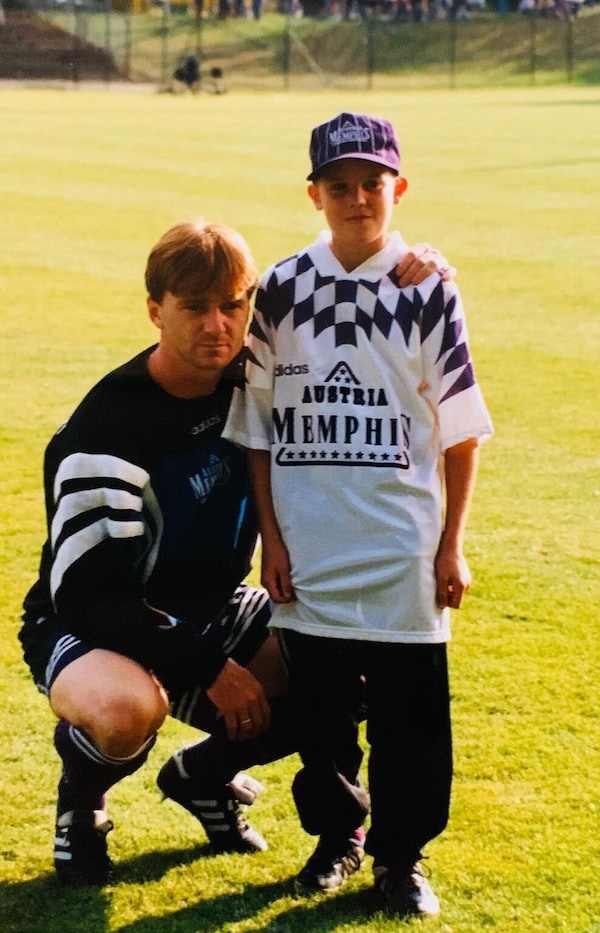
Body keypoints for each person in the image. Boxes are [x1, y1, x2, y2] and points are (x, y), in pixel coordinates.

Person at [19, 218, 455, 888]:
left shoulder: (256, 378)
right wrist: (210, 667)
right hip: (89, 623)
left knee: (347, 671)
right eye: (194, 308)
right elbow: (90, 597)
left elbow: (361, 349)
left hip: (213, 607)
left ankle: (201, 775)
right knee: (125, 711)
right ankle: (82, 799)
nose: (216, 326)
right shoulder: (108, 429)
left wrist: (418, 273)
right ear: (155, 310)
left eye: (232, 305)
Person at [226, 112, 494, 918]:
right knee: (323, 717)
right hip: (310, 549)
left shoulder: (427, 288)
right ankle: (337, 838)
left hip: (403, 545)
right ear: (314, 194)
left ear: (398, 188)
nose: (356, 198)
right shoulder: (281, 288)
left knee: (414, 718)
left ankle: (401, 858)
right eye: (338, 185)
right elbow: (257, 429)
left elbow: (461, 429)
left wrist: (451, 545)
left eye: (371, 183)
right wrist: (271, 540)